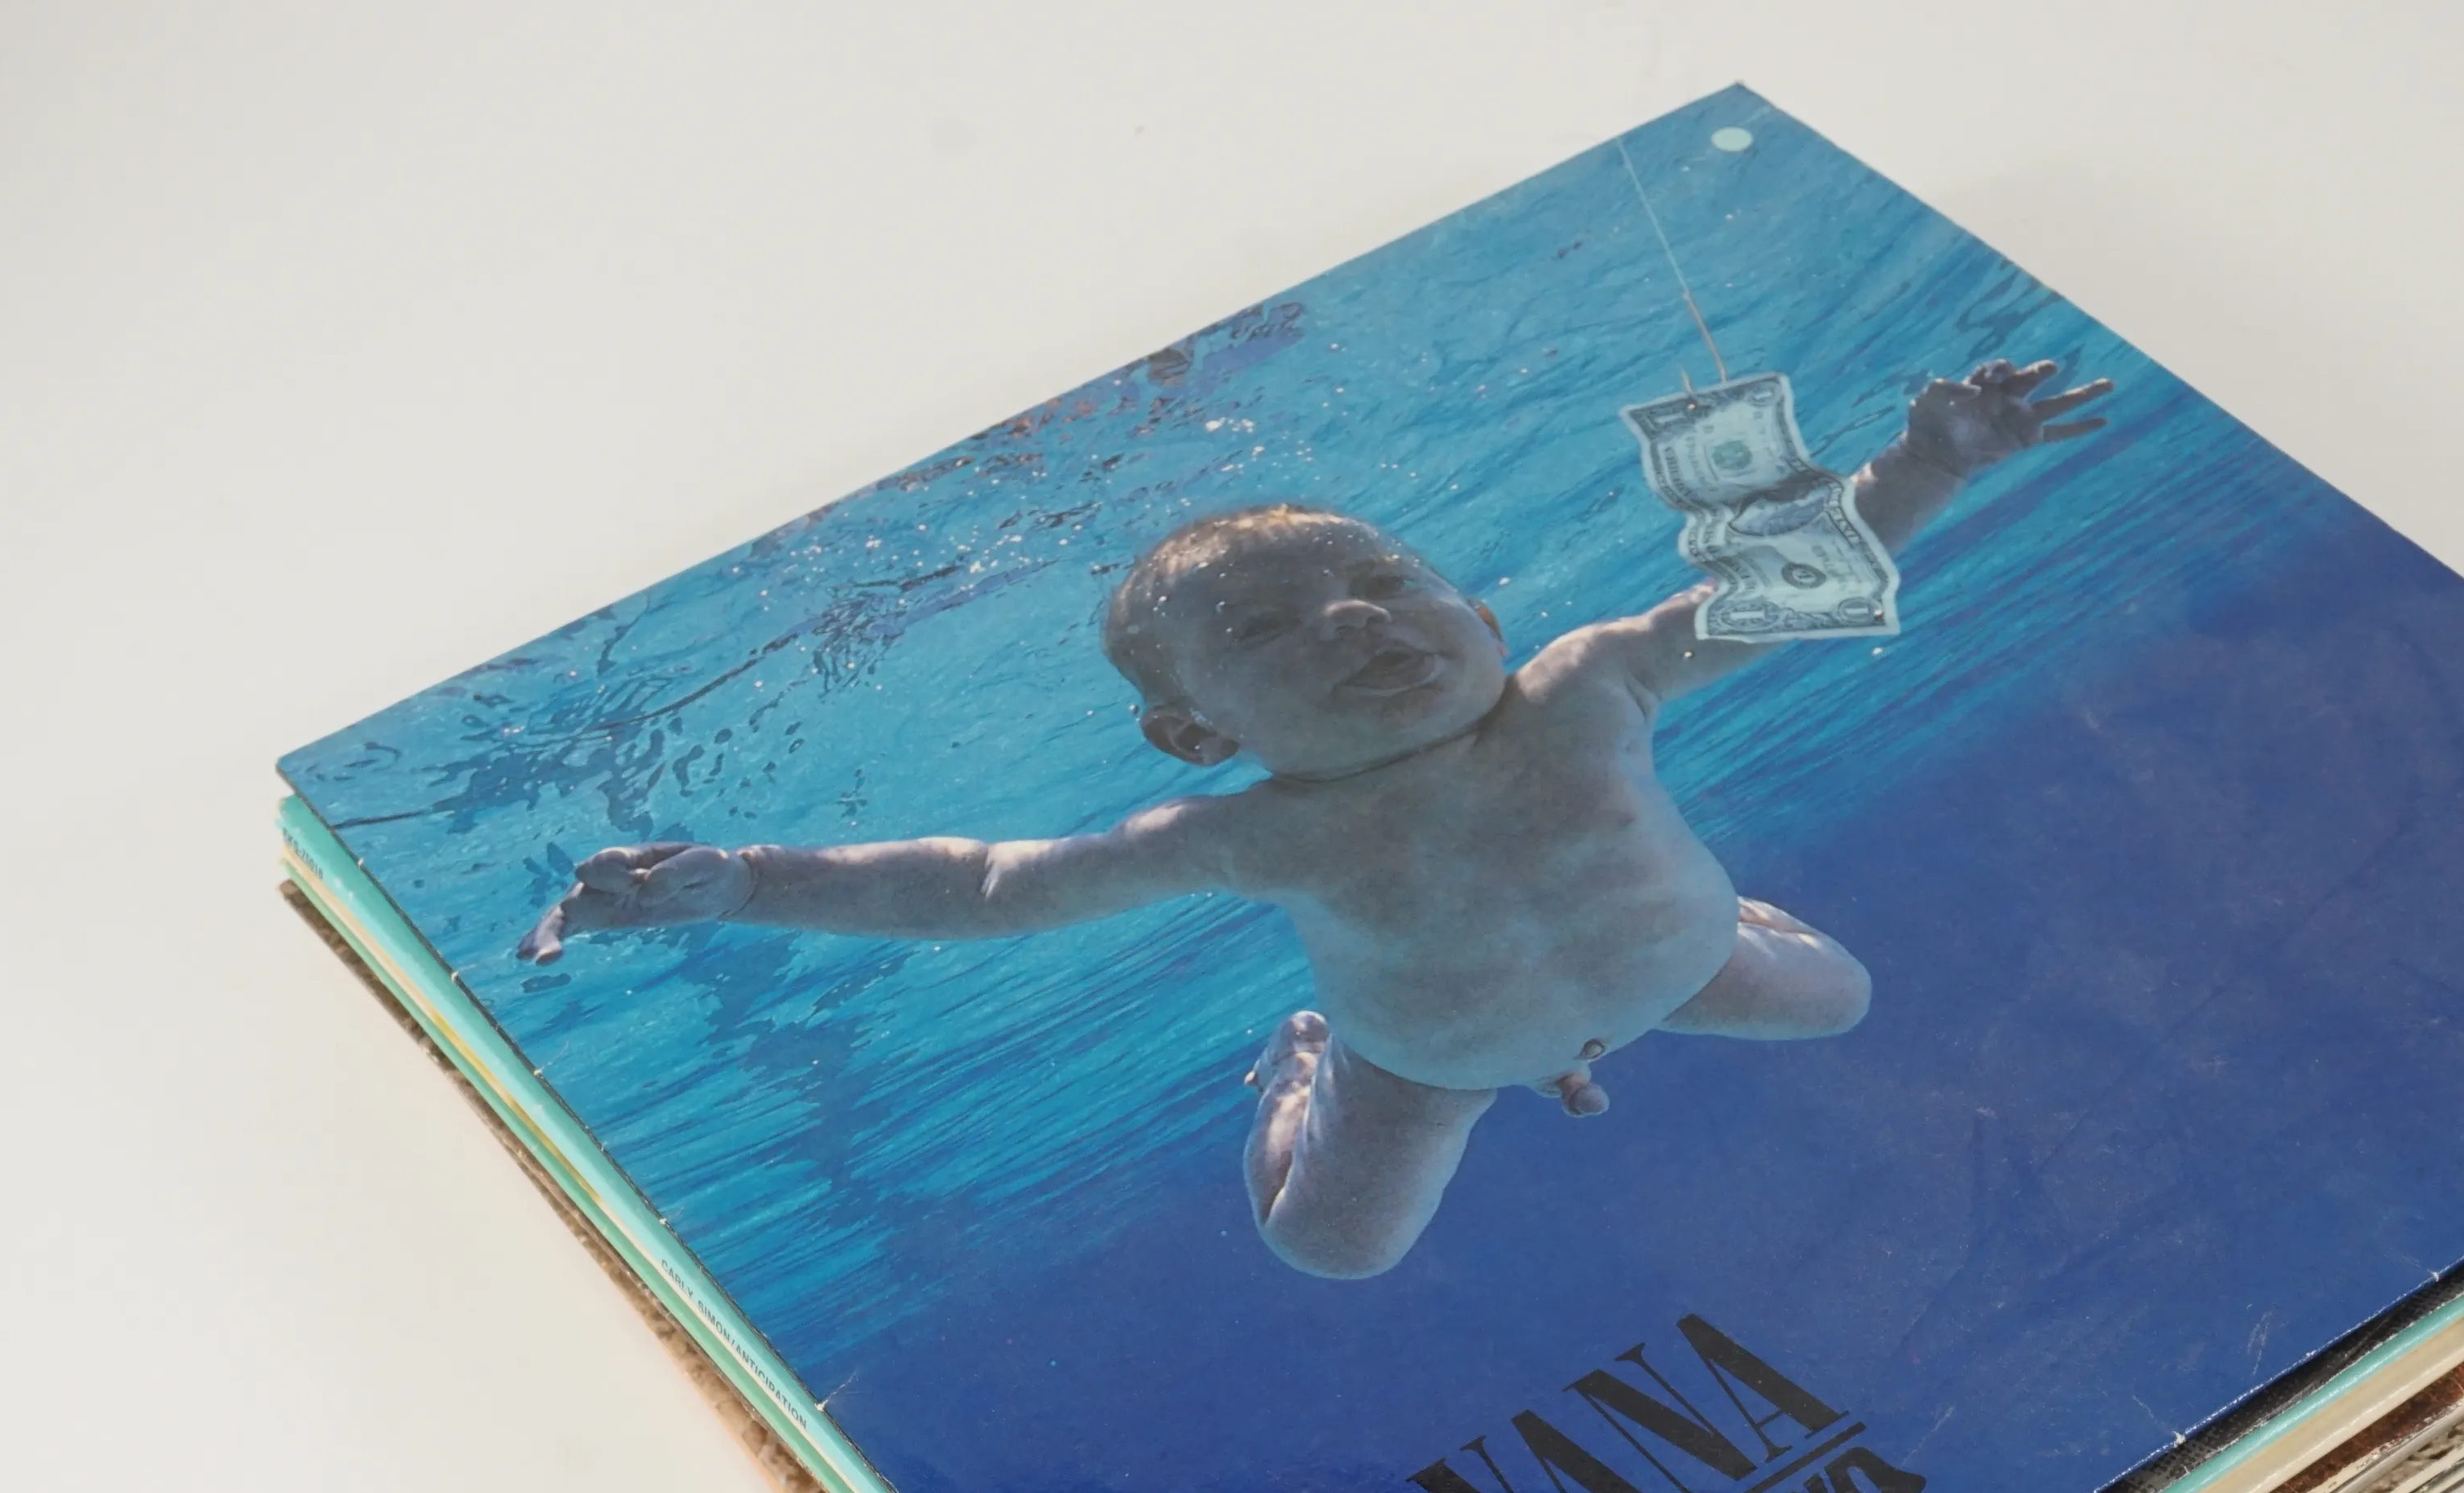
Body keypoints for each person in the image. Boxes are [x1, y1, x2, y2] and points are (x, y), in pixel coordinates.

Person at [520, 358, 2110, 1278]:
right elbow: (993, 883)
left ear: (1479, 612)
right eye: (1269, 631)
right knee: (1328, 1249)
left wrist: (1929, 460)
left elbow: (1789, 588)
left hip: (1679, 964)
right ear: (1194, 732)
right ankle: (1306, 1064)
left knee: (1842, 998)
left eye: (1384, 583)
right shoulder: (1261, 831)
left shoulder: (1589, 683)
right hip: (1423, 1064)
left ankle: (1694, 935)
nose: (1352, 619)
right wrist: (742, 878)